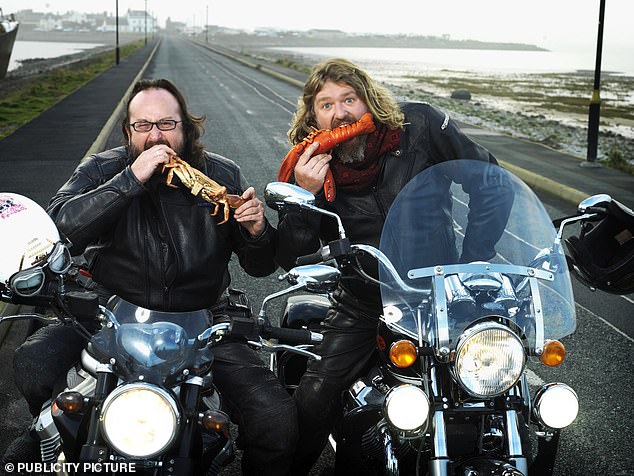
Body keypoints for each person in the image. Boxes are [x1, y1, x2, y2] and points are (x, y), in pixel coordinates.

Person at [4, 78, 296, 476]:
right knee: (32, 362)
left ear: (186, 128)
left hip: (203, 318)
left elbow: (258, 266)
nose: (155, 135)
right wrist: (129, 180)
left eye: (166, 124)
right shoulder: (104, 167)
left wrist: (257, 230)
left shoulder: (223, 174)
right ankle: (52, 431)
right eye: (143, 125)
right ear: (128, 131)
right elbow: (61, 225)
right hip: (109, 312)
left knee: (276, 420)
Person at [275, 58, 512, 474]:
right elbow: (293, 253)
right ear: (314, 117)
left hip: (441, 293)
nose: (341, 113)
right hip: (364, 299)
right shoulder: (311, 163)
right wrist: (304, 193)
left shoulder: (418, 127)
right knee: (313, 395)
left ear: (369, 100)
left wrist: (471, 262)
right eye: (326, 105)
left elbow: (490, 181)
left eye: (349, 99)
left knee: (502, 378)